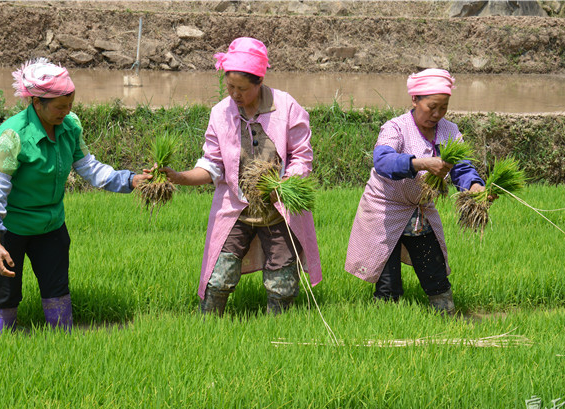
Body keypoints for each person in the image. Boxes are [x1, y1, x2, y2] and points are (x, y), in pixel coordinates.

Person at [0, 58, 152, 332]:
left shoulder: (70, 127)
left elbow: (89, 167)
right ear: (37, 103)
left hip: (50, 222)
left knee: (56, 287)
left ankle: (62, 339)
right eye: (60, 107)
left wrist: (130, 180)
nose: (66, 111)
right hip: (10, 223)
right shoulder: (12, 136)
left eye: (70, 105)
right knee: (6, 291)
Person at [162, 37, 322, 316]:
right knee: (218, 275)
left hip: (278, 209)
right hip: (236, 208)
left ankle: (279, 328)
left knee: (282, 283)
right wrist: (179, 177)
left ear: (259, 82)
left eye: (243, 89)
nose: (235, 94)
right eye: (230, 87)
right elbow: (212, 165)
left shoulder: (286, 107)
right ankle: (207, 325)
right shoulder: (220, 113)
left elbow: (301, 156)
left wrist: (286, 184)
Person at [345, 68, 490, 315]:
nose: (437, 114)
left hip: (420, 211)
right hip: (384, 209)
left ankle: (447, 316)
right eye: (431, 107)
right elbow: (383, 161)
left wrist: (475, 188)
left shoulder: (449, 131)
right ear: (415, 99)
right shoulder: (396, 128)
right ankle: (386, 324)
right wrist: (421, 163)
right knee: (388, 283)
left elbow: (462, 168)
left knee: (435, 273)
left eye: (443, 108)